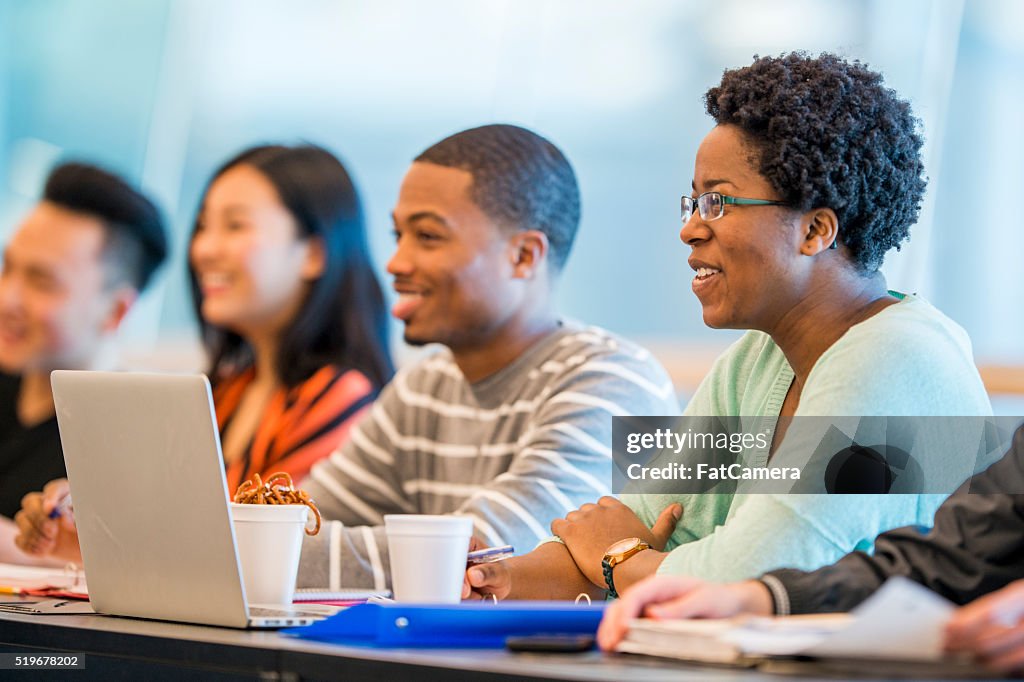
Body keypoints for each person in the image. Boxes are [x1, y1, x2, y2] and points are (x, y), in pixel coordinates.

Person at [464, 52, 991, 602]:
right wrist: (488, 579)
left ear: (814, 230)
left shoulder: (897, 360)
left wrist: (623, 560)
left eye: (716, 202)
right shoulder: (757, 361)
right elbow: (638, 522)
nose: (689, 229)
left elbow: (761, 572)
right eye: (693, 202)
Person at [295, 123, 680, 590]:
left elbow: (478, 566)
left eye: (428, 237)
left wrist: (265, 549)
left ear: (523, 256)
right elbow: (298, 520)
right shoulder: (425, 386)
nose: (395, 262)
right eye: (398, 235)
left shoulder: (614, 381)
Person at [14, 144, 394, 562]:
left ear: (315, 253)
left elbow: (266, 557)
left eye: (235, 226)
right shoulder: (224, 391)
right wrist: (80, 531)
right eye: (202, 226)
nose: (204, 249)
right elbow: (162, 547)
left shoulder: (337, 398)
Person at [596, 424, 1024, 675]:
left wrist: (623, 559)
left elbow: (750, 554)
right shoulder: (748, 358)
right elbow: (942, 560)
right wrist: (758, 596)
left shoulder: (889, 355)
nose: (689, 263)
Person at [0, 162, 168, 562]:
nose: (8, 299)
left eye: (42, 281)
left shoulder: (139, 437)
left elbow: (132, 573)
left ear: (115, 311)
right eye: (7, 269)